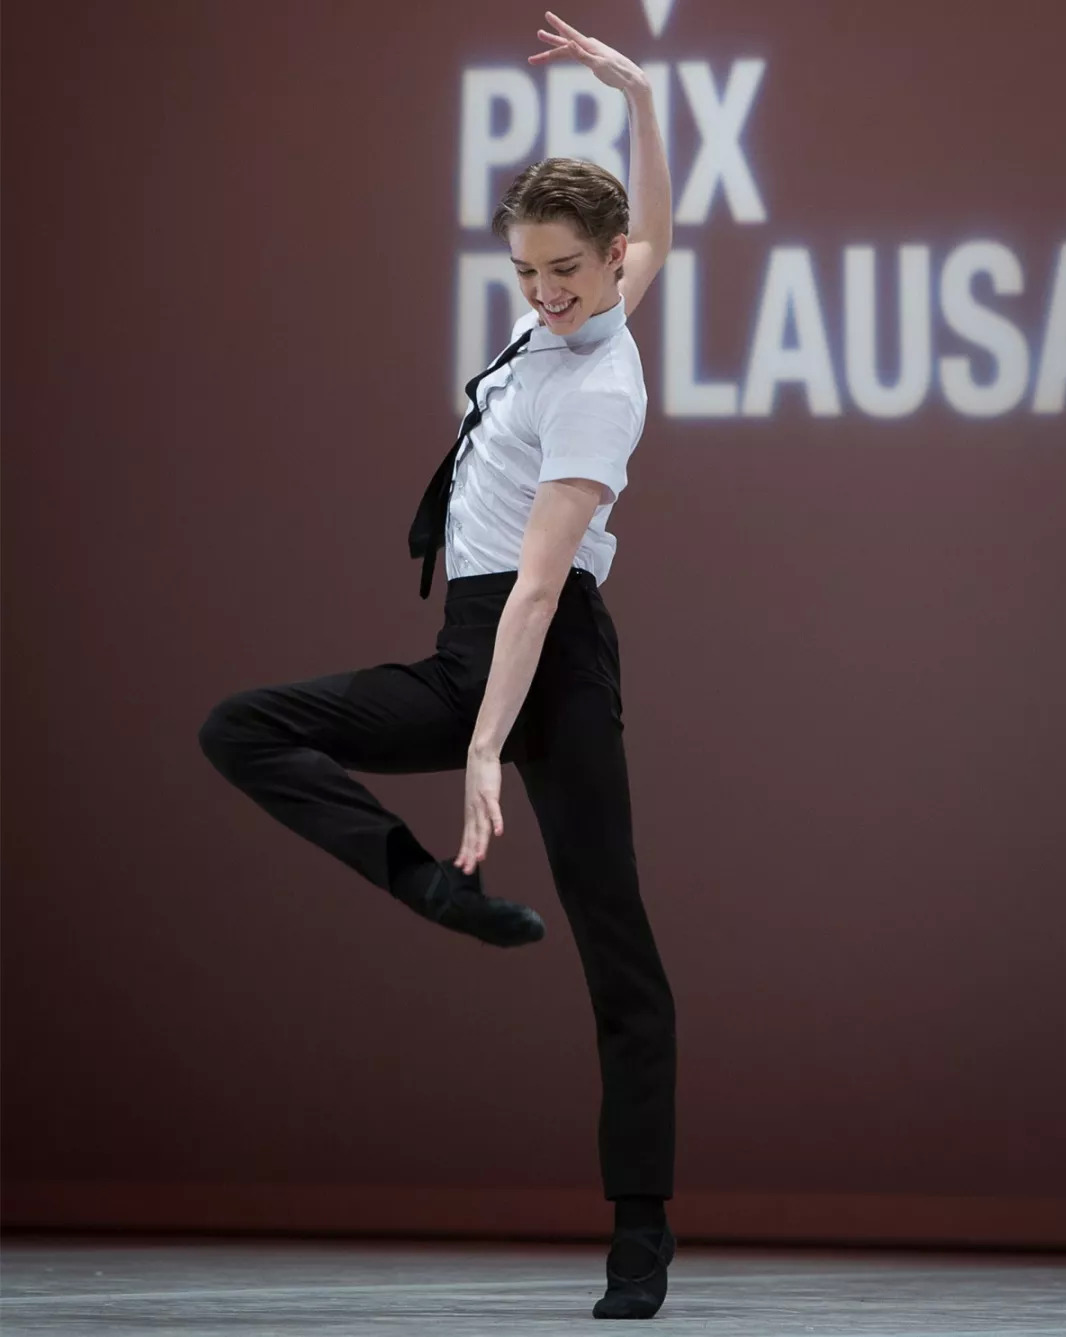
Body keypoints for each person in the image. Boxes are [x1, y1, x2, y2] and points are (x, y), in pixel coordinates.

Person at [198, 11, 676, 1322]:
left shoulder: (599, 384)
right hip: (473, 644)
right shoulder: (574, 314)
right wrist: (640, 95)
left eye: (567, 272)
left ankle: (641, 1236)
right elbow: (661, 232)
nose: (546, 293)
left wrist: (482, 745)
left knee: (618, 948)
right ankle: (426, 884)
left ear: (606, 262)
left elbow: (539, 589)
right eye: (527, 271)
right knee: (243, 727)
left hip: (545, 660)